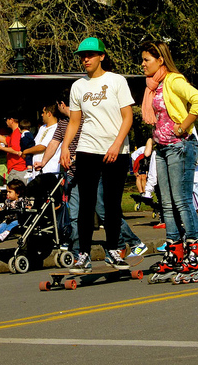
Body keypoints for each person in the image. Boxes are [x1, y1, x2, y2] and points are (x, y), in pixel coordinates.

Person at [43, 91, 147, 258]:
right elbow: (54, 144)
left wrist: (80, 156)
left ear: (62, 104)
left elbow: (94, 142)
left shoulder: (86, 120)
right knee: (75, 214)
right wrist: (43, 162)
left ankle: (133, 242)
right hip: (72, 174)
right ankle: (79, 253)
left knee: (103, 210)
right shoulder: (63, 124)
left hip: (91, 171)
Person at [61, 37, 134, 272]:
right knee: (86, 203)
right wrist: (65, 146)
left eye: (90, 55)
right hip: (88, 149)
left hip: (116, 150)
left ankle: (113, 250)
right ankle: (83, 254)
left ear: (102, 56)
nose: (86, 59)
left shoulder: (117, 81)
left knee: (112, 203)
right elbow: (74, 121)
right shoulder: (78, 86)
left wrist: (117, 144)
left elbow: (128, 117)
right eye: (82, 55)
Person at [140, 40, 198, 284]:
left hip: (180, 147)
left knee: (182, 201)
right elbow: (159, 118)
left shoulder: (173, 80)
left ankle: (195, 253)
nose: (143, 64)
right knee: (166, 204)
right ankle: (175, 252)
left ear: (160, 60)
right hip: (162, 148)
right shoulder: (152, 86)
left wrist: (184, 125)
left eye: (147, 59)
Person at [22, 104, 62, 180]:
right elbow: (34, 145)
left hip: (48, 170)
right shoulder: (42, 128)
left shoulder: (56, 128)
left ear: (49, 113)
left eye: (43, 112)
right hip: (35, 170)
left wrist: (25, 152)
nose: (42, 115)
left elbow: (42, 147)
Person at [0, 179, 30, 248]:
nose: (7, 194)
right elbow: (4, 209)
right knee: (1, 226)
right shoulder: (7, 201)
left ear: (18, 193)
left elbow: (28, 207)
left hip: (19, 220)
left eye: (10, 192)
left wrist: (28, 208)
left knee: (13, 225)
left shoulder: (22, 200)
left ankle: (3, 235)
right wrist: (0, 210)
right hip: (8, 220)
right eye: (7, 192)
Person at [0, 116, 27, 184]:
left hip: (18, 168)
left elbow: (16, 150)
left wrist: (0, 148)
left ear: (11, 120)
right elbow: (6, 141)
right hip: (16, 168)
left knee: (15, 191)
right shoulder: (15, 133)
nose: (5, 122)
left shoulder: (17, 132)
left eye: (6, 120)